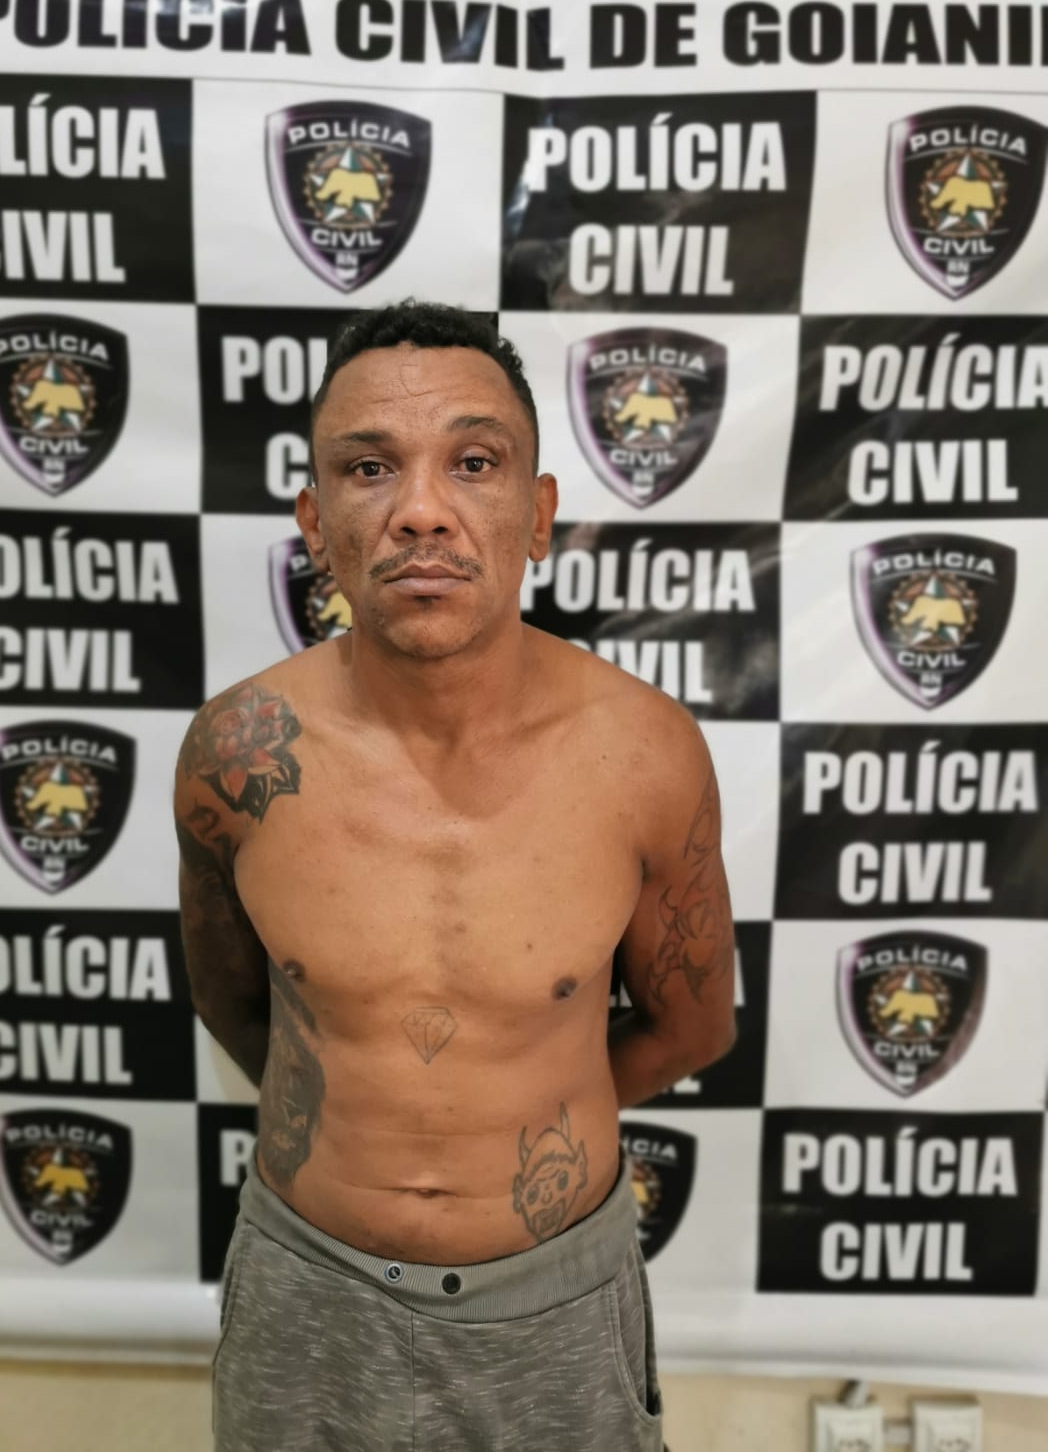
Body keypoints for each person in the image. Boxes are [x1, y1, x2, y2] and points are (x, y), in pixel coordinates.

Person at [175, 300, 735, 1452]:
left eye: (473, 463)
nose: (422, 510)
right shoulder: (237, 755)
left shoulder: (647, 755)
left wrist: (519, 1115)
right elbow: (233, 1002)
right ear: (315, 520)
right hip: (307, 1293)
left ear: (539, 515)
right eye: (369, 467)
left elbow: (692, 1026)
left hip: (556, 1305)